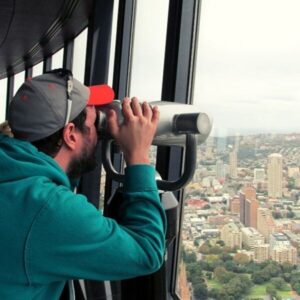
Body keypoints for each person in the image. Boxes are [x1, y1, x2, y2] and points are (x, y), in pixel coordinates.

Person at [0, 69, 166, 299]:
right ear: (70, 135)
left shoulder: (13, 177)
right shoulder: (48, 209)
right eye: (93, 119)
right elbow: (147, 252)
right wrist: (138, 156)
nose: (98, 130)